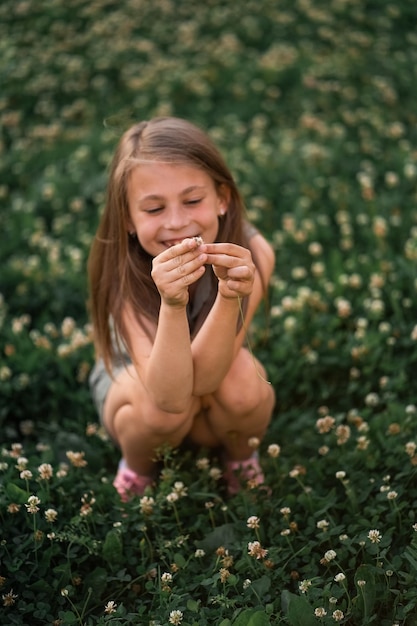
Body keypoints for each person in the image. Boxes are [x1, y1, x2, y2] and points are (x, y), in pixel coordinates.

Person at [88, 116, 275, 501]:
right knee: (158, 412)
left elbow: (205, 380)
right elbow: (169, 399)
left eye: (192, 201)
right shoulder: (122, 272)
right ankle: (138, 470)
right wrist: (172, 305)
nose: (177, 223)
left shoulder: (251, 255)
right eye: (154, 209)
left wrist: (229, 296)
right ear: (127, 217)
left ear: (222, 198)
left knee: (245, 382)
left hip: (211, 384)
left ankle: (240, 460)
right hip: (147, 401)